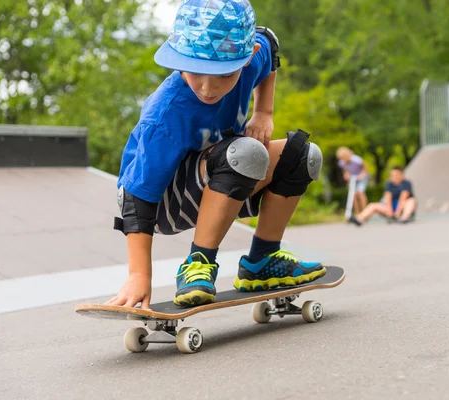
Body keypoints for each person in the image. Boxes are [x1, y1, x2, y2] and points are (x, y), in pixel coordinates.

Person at [106, 0, 327, 310]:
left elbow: (269, 42)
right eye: (196, 73)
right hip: (158, 202)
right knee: (245, 152)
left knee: (303, 155)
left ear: (246, 58)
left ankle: (262, 260)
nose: (208, 88)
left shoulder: (252, 55)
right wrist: (139, 274)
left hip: (223, 174)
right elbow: (136, 195)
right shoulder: (165, 115)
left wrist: (264, 112)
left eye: (224, 75)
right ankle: (198, 264)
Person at [348, 166, 416, 226]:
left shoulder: (406, 183)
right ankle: (359, 218)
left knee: (411, 200)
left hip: (402, 209)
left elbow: (403, 197)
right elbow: (387, 197)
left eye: (397, 175)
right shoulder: (389, 184)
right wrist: (390, 212)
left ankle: (404, 217)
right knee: (373, 205)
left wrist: (397, 212)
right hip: (391, 209)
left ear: (402, 175)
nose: (395, 177)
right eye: (392, 176)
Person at [336, 146, 369, 215]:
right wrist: (346, 175)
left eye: (343, 157)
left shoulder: (356, 159)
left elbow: (365, 166)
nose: (342, 159)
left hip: (362, 177)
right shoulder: (341, 162)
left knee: (360, 192)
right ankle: (357, 213)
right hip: (353, 178)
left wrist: (362, 175)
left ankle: (365, 213)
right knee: (352, 195)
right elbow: (345, 170)